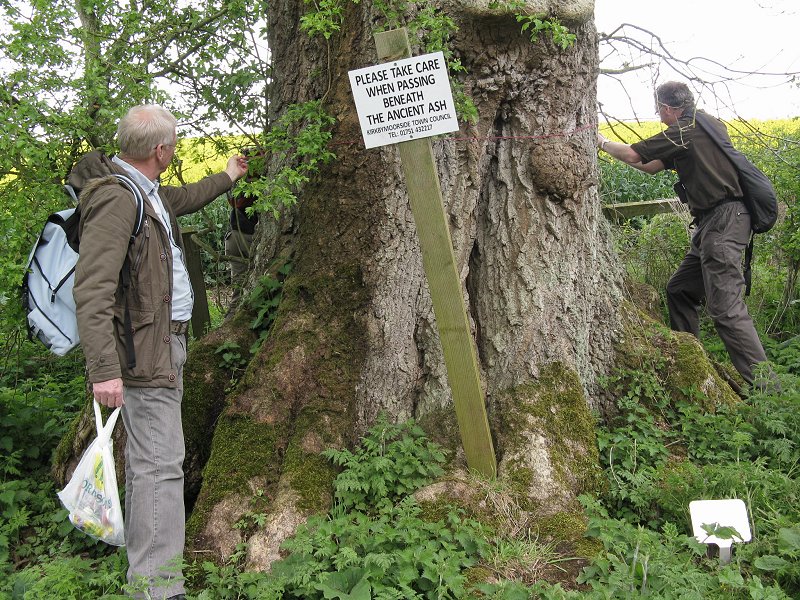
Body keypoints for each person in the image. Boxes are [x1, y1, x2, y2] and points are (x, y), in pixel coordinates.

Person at [70, 105, 248, 599]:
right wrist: (104, 370)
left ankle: (153, 581)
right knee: (160, 467)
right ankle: (156, 590)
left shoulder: (144, 190)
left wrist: (228, 177)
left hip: (161, 343)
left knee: (159, 462)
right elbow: (93, 287)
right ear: (160, 151)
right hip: (141, 353)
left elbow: (183, 198)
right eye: (171, 145)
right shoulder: (118, 201)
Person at [597, 81, 768, 386]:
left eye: (659, 110)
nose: (659, 116)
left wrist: (600, 143)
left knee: (726, 310)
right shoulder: (704, 127)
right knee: (680, 290)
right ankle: (694, 366)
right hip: (712, 224)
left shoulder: (687, 130)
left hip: (724, 221)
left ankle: (768, 391)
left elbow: (635, 156)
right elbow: (649, 167)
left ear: (668, 108)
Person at [224, 147, 261, 309]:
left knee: (239, 291)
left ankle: (231, 322)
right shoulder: (259, 181)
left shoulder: (239, 177)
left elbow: (232, 201)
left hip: (235, 237)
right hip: (248, 239)